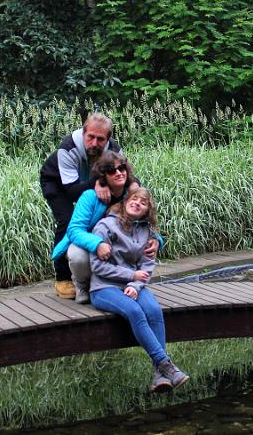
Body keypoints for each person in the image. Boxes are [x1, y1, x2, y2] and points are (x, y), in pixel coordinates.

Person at [89, 188, 189, 393]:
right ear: (125, 202)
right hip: (103, 287)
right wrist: (130, 277)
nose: (137, 203)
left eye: (143, 203)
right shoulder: (105, 226)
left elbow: (147, 265)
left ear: (147, 211)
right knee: (134, 312)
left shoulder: (147, 232)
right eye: (134, 199)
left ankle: (160, 375)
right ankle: (166, 365)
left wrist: (135, 285)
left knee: (154, 311)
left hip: (134, 285)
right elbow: (97, 267)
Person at [52, 151, 160, 303]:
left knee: (149, 247)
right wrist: (97, 244)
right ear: (103, 176)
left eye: (121, 168)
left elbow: (145, 221)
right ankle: (83, 284)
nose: (118, 173)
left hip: (117, 246)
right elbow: (74, 230)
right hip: (90, 243)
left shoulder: (130, 196)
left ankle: (128, 283)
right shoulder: (89, 196)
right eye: (111, 170)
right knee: (78, 255)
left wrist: (156, 240)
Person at [40, 113, 122, 299]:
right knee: (68, 220)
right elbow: (72, 192)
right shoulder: (68, 148)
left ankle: (100, 272)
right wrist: (99, 182)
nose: (94, 143)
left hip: (89, 181)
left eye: (100, 139)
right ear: (83, 133)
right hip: (58, 184)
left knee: (107, 215)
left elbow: (125, 179)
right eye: (90, 137)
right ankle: (62, 279)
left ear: (108, 139)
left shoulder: (114, 151)